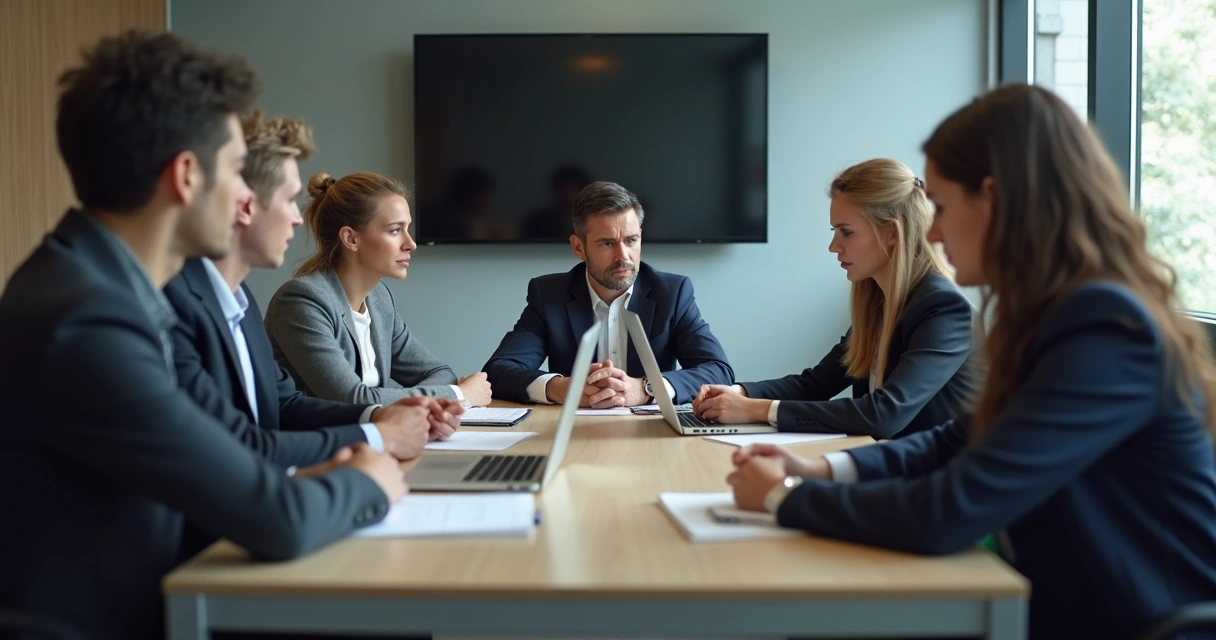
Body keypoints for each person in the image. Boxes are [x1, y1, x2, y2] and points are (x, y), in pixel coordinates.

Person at [726, 84, 1216, 640]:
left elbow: (948, 512)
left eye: (941, 206)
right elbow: (963, 437)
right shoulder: (1059, 313)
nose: (931, 231)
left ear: (994, 198)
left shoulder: (1104, 328)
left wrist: (781, 496)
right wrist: (818, 468)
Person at [0, 31, 408, 640]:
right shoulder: (87, 321)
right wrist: (368, 478)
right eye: (236, 170)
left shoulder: (94, 284)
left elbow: (231, 461)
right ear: (187, 176)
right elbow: (280, 518)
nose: (247, 195)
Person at [164, 111, 458, 468]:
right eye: (289, 199)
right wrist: (382, 434)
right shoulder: (288, 300)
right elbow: (235, 450)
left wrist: (382, 418)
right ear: (244, 205)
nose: (297, 217)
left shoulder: (241, 303)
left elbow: (284, 404)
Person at [693, 159, 978, 438]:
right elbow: (815, 384)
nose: (833, 246)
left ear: (891, 233)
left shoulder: (943, 309)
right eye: (834, 231)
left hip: (937, 479)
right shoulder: (880, 304)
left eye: (847, 232)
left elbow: (883, 415)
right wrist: (739, 393)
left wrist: (757, 410)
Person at [484, 180, 734, 407]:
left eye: (631, 240)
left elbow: (718, 370)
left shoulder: (672, 293)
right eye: (607, 243)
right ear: (579, 247)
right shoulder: (549, 295)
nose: (623, 256)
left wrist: (646, 388)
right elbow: (498, 371)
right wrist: (560, 388)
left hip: (651, 434)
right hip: (574, 433)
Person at [264, 171, 493, 406]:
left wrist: (433, 397)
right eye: (395, 230)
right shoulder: (302, 301)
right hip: (318, 440)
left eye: (407, 228)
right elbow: (351, 400)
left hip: (375, 436)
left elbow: (441, 373)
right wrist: (457, 395)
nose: (410, 243)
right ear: (351, 239)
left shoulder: (379, 299)